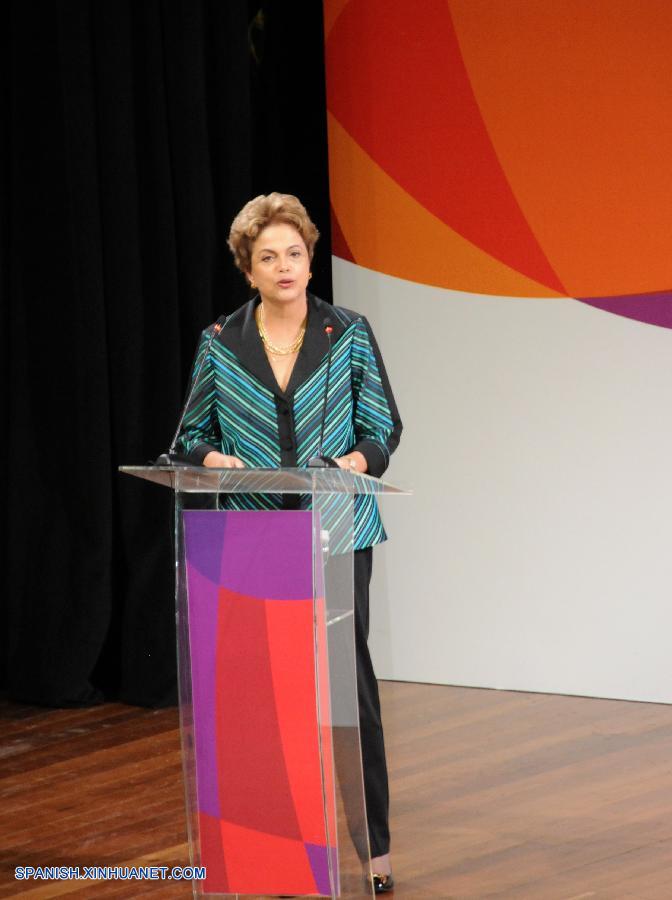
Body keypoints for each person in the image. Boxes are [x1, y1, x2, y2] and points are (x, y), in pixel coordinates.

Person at [177, 192, 402, 893]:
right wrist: (217, 465)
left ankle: (375, 851)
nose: (284, 267)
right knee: (262, 696)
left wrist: (350, 466)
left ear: (310, 261)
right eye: (268, 256)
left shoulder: (350, 334)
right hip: (250, 535)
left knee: (344, 691)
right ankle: (267, 850)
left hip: (335, 532)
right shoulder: (221, 341)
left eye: (295, 254)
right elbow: (191, 437)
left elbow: (383, 428)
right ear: (249, 269)